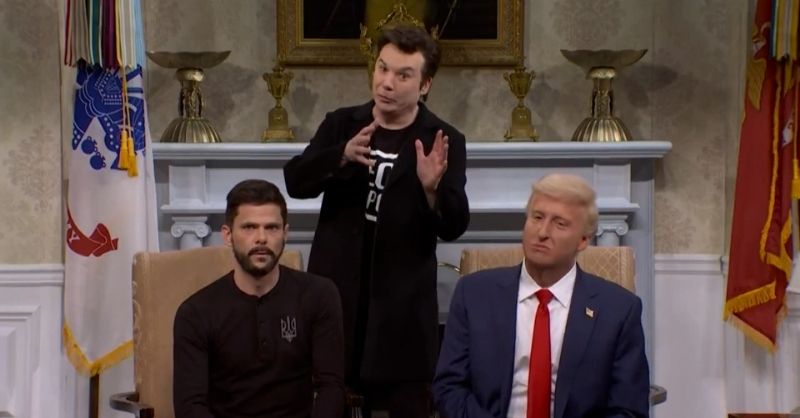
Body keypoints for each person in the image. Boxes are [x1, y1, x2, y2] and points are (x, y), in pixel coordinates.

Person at [284, 24, 470, 418]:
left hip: (402, 309)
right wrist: (340, 155)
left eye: (403, 75)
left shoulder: (443, 138)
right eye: (383, 68)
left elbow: (455, 225)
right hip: (338, 295)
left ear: (424, 85)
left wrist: (432, 189)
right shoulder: (342, 124)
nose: (387, 83)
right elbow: (296, 181)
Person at [432, 174, 650, 418]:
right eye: (537, 217)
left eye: (560, 224)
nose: (542, 232)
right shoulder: (474, 294)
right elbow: (448, 388)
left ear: (583, 240)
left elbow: (629, 410)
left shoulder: (619, 310)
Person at [172, 179, 345, 418]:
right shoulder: (195, 312)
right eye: (249, 227)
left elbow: (331, 387)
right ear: (228, 235)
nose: (261, 238)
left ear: (285, 233)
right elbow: (190, 406)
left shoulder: (319, 295)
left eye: (271, 228)